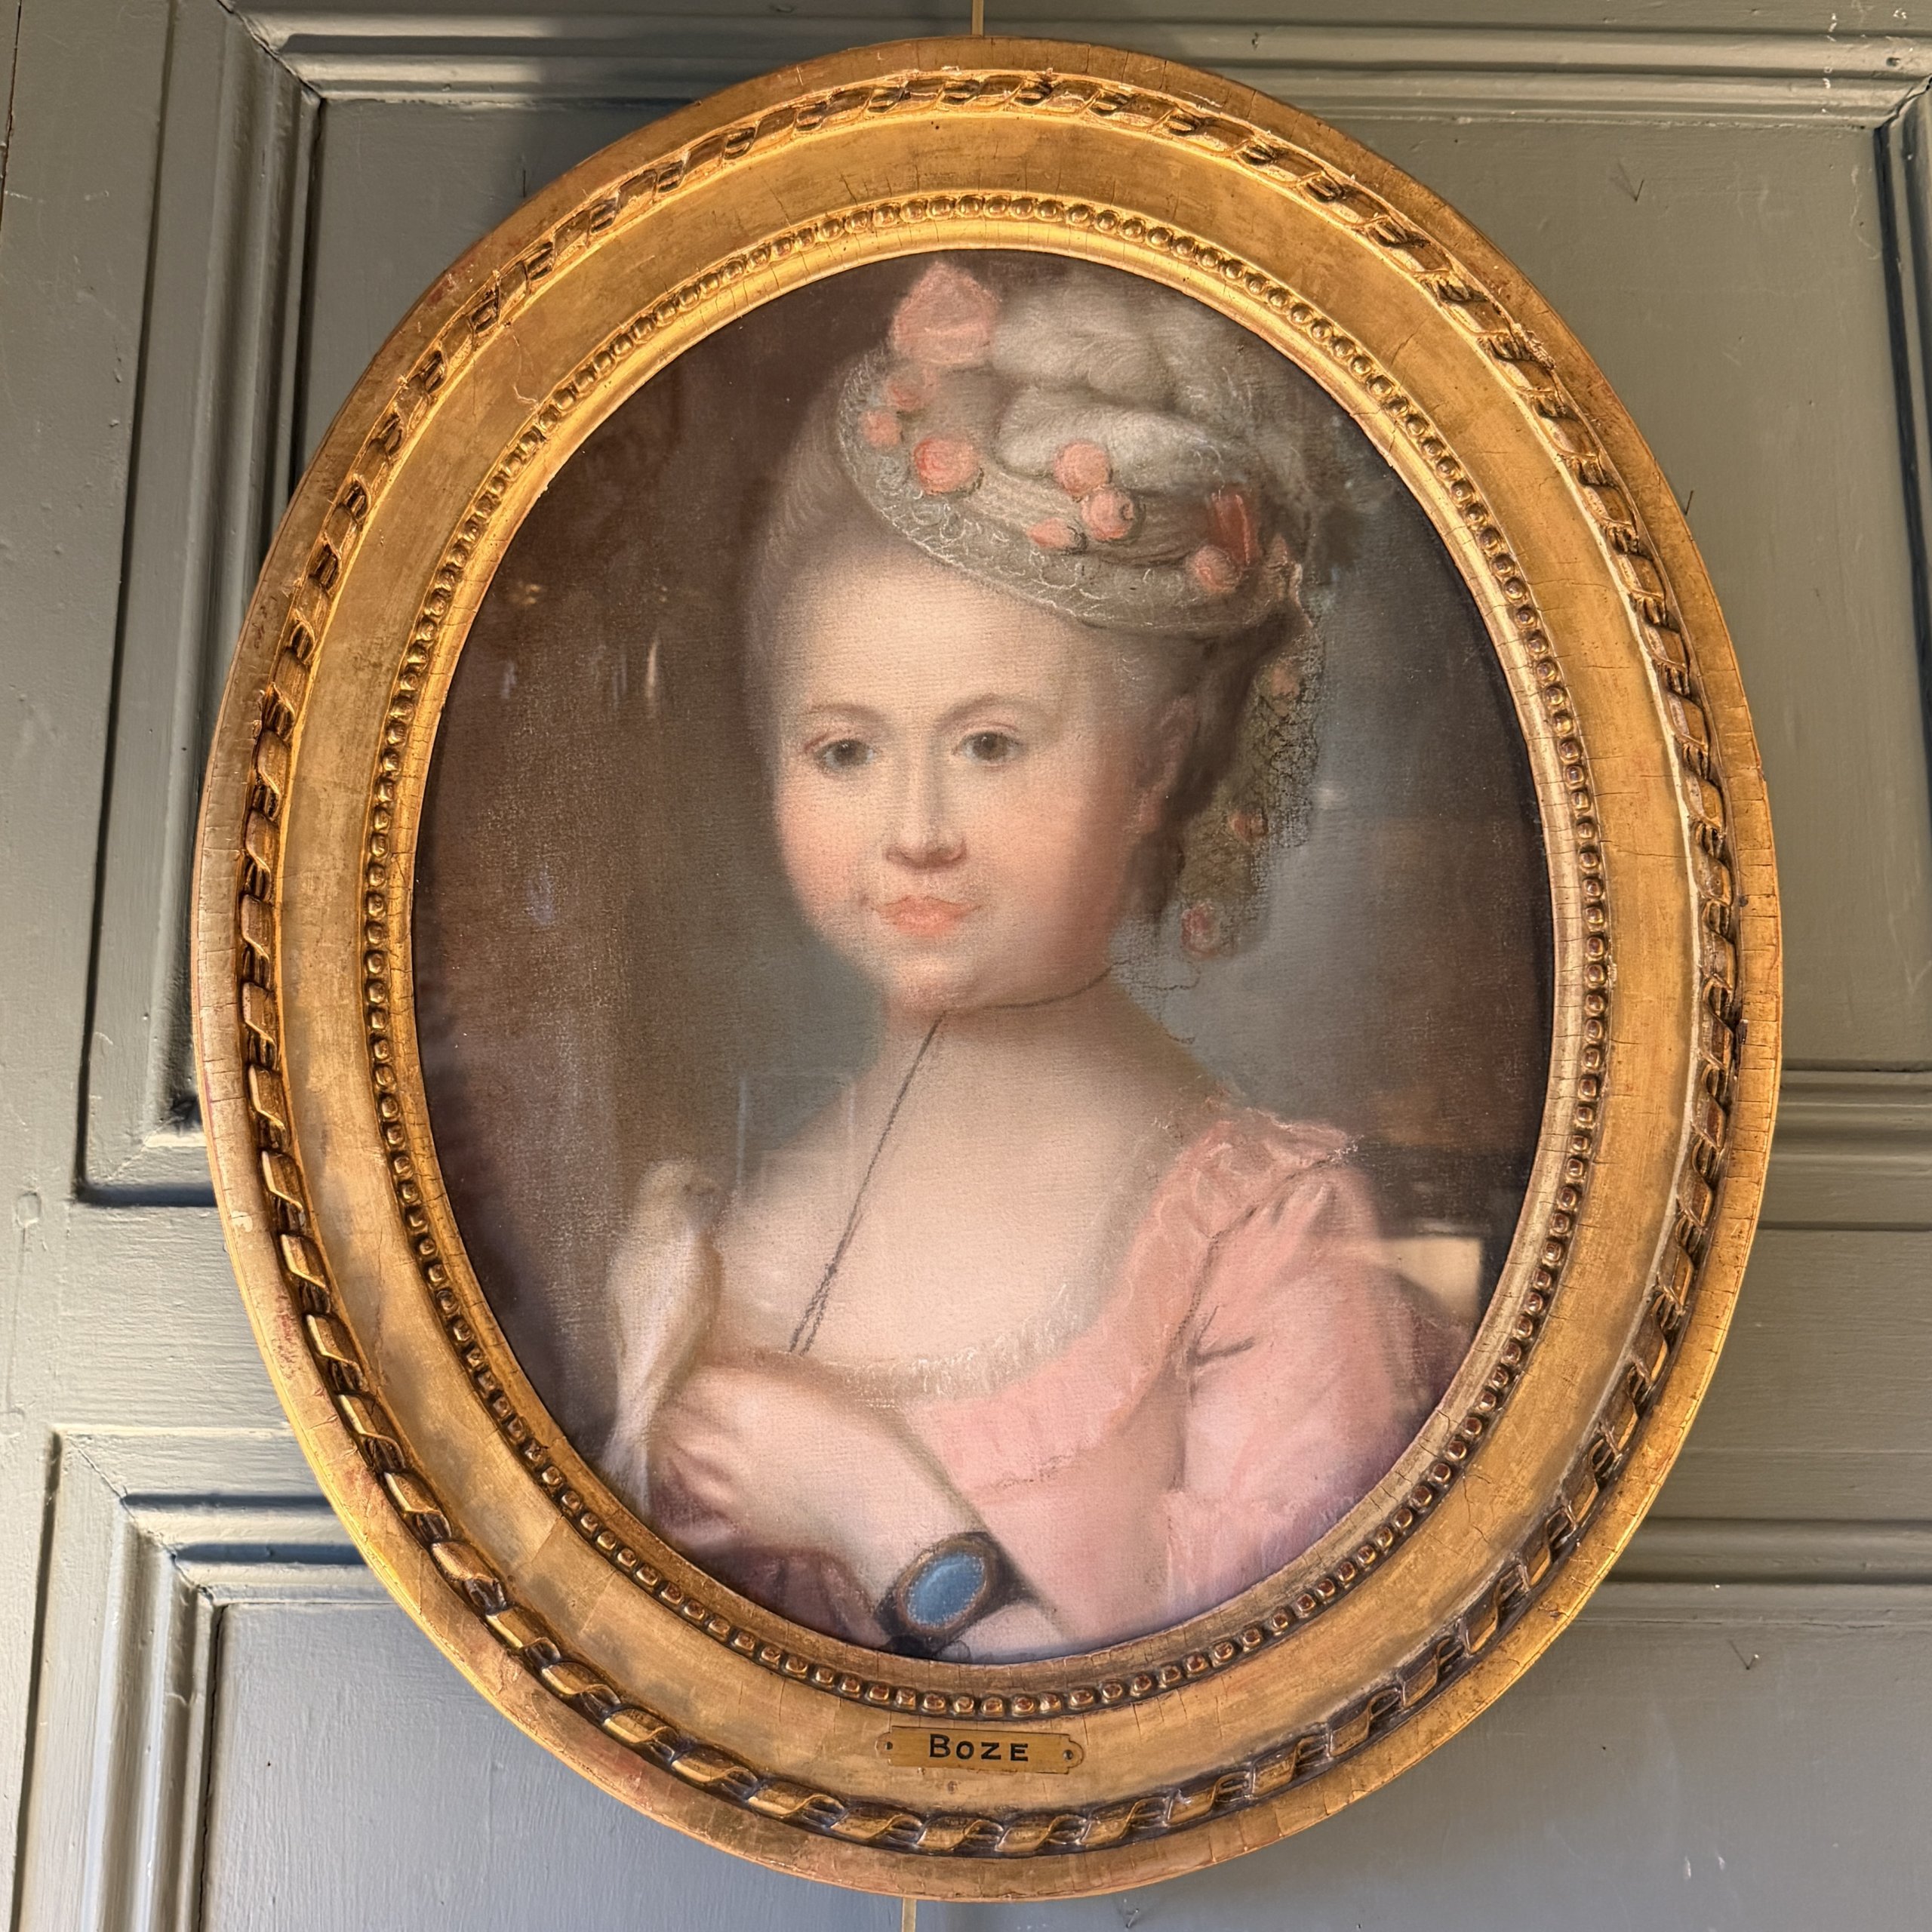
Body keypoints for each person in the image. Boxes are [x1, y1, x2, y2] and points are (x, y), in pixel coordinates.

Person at [601, 257, 1467, 1663]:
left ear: (1156, 767)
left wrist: (888, 1520)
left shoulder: (1264, 1247)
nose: (915, 833)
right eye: (845, 751)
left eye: (992, 743)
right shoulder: (720, 1215)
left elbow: (1233, 1717)